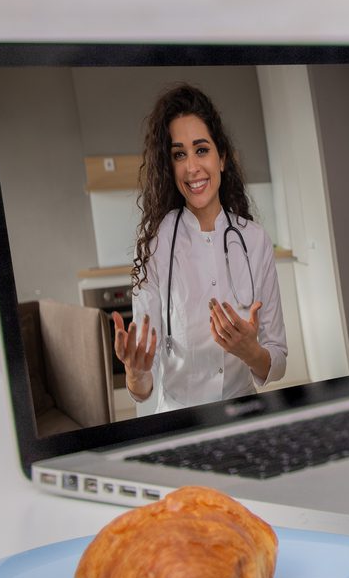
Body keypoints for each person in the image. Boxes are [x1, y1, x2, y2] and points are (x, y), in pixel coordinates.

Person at [112, 83, 287, 416]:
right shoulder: (156, 246)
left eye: (201, 149)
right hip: (181, 418)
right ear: (170, 166)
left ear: (221, 158)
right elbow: (143, 390)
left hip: (244, 413)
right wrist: (135, 372)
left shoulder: (255, 240)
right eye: (179, 154)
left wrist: (251, 352)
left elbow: (276, 361)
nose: (192, 167)